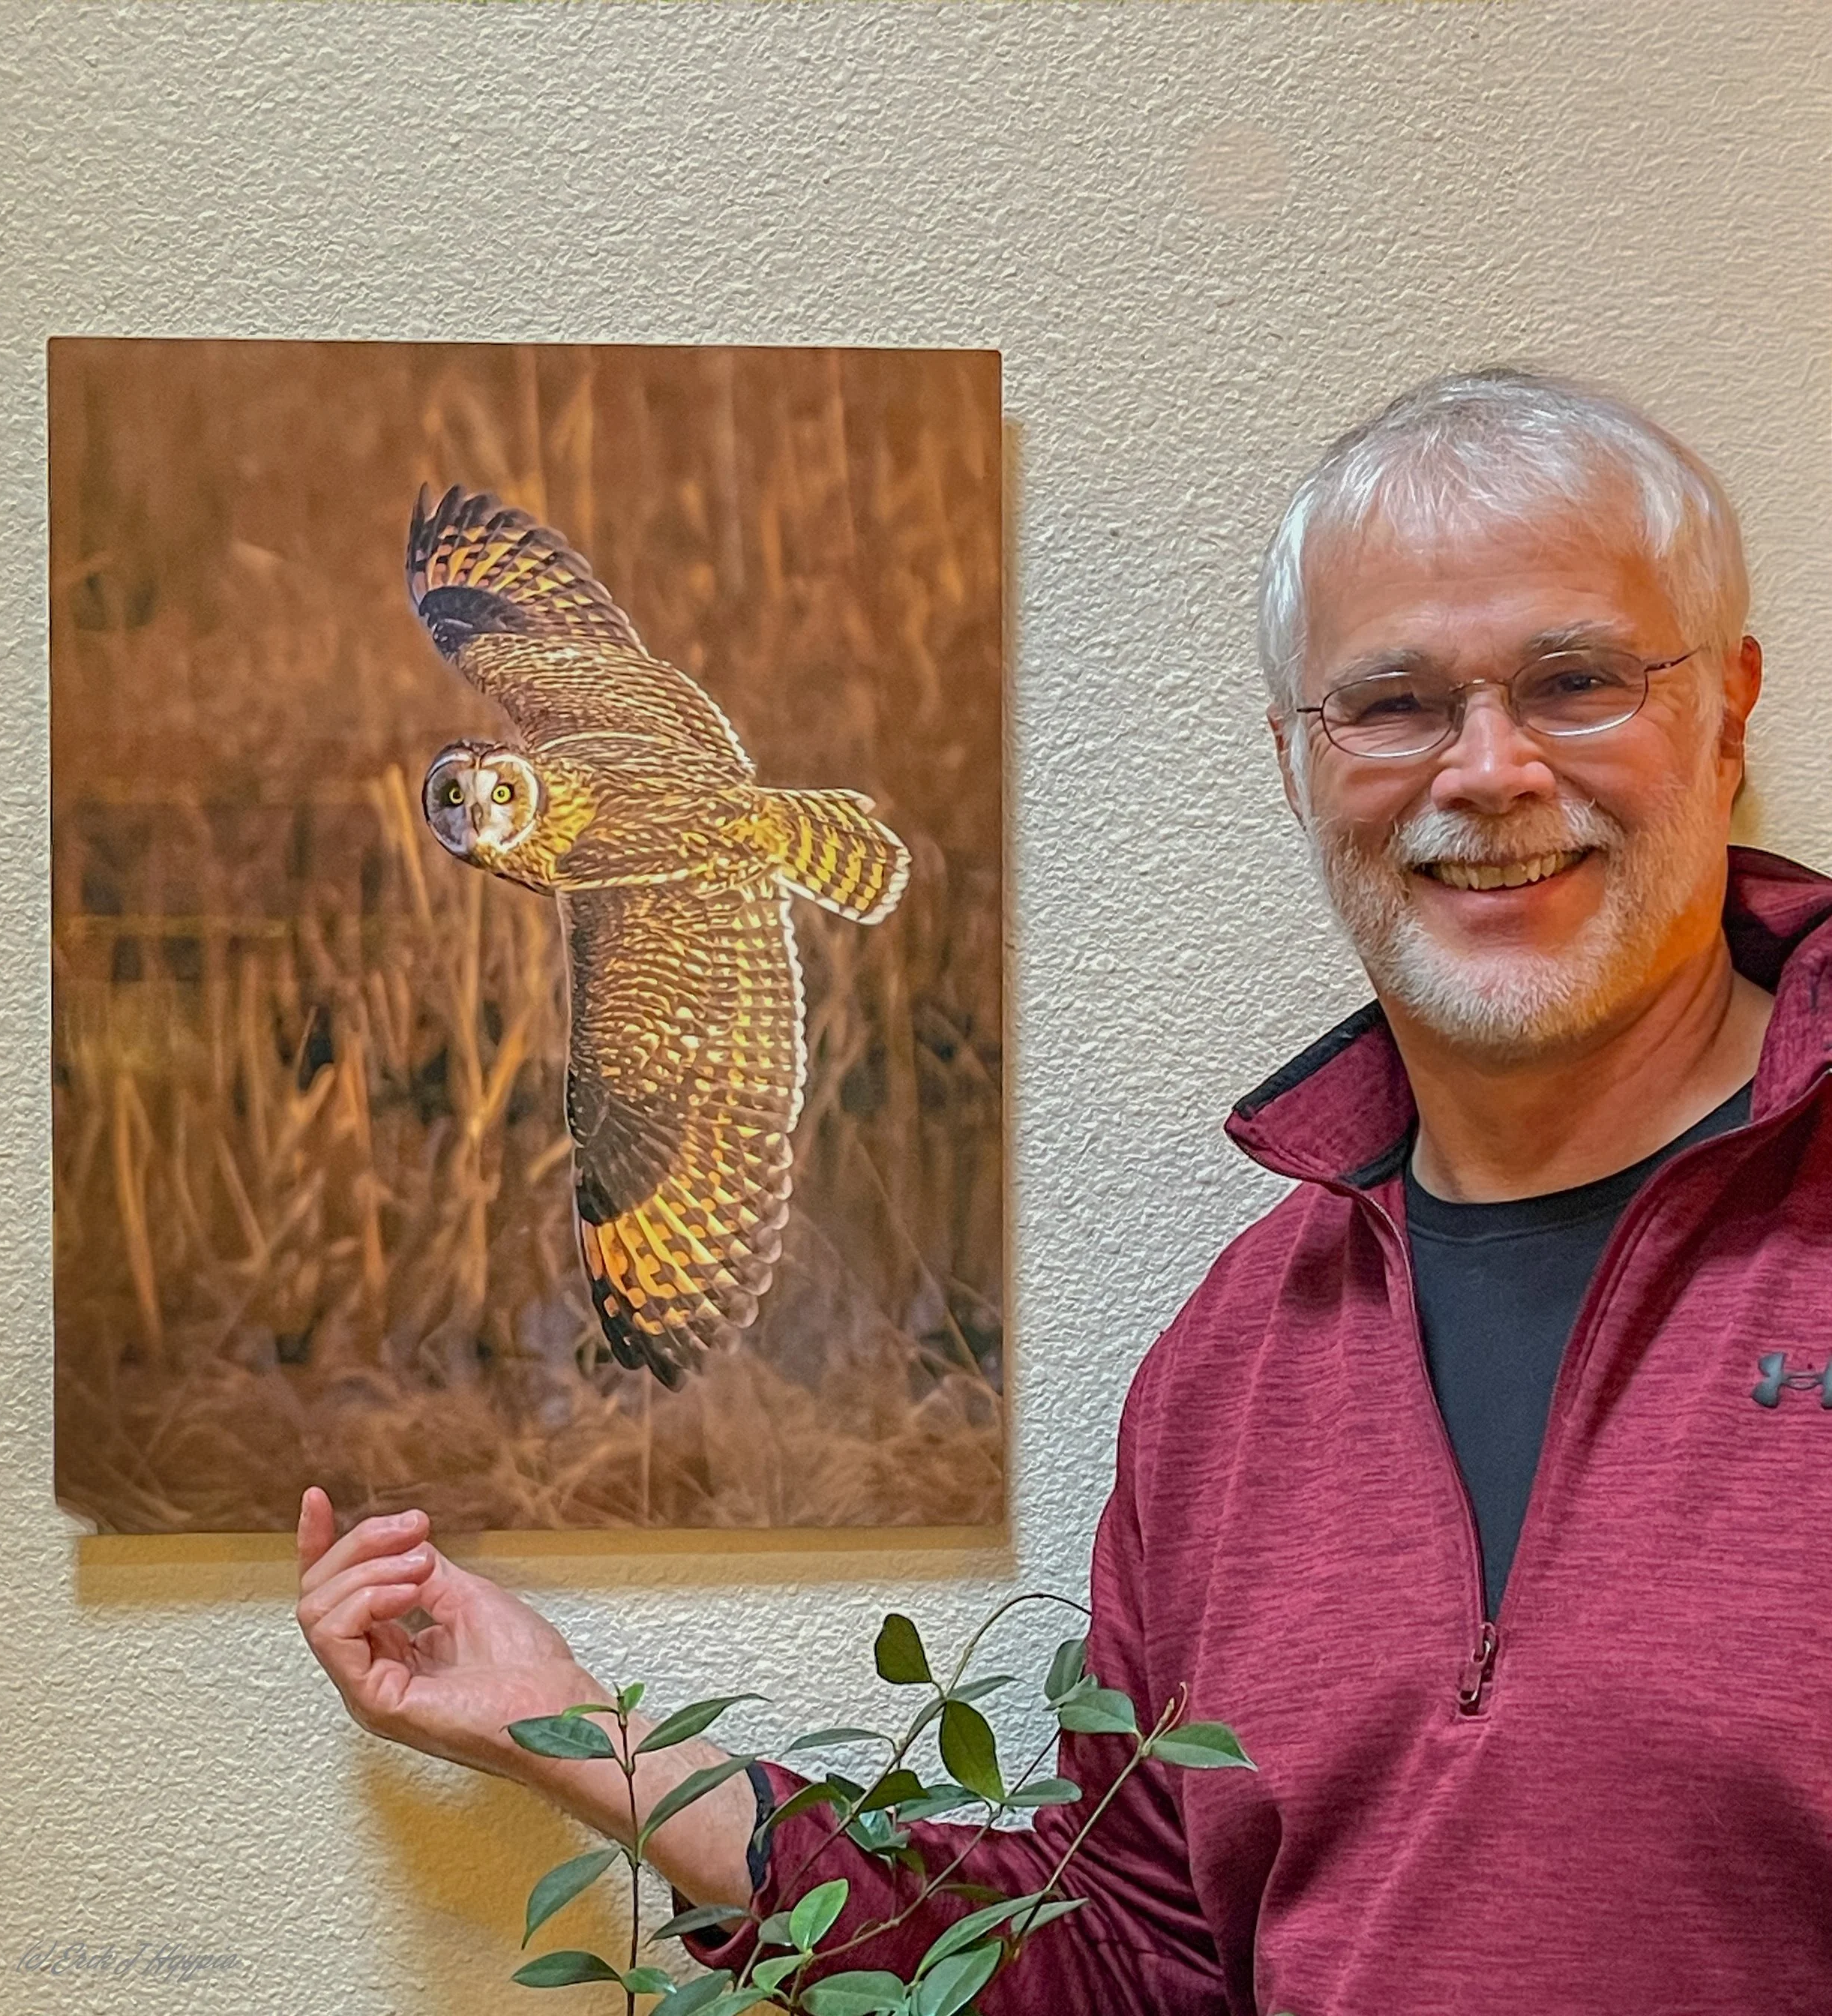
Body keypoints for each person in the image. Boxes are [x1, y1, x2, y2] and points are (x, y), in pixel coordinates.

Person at [295, 369, 1832, 2014]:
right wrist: (587, 1741)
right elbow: (1127, 1963)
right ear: (1294, 764)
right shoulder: (1236, 1368)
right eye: (1389, 706)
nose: (1485, 768)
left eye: (1573, 679)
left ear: (1728, 711)